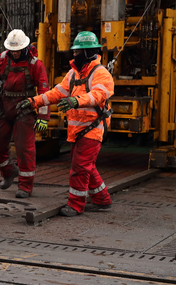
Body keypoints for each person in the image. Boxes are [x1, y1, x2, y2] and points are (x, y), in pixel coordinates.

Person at [17, 31, 114, 216]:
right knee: (87, 166)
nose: (74, 55)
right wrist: (33, 101)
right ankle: (103, 200)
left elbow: (98, 95)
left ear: (87, 52)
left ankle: (76, 205)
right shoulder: (73, 74)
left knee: (80, 167)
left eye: (77, 52)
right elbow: (56, 93)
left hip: (92, 129)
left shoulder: (101, 73)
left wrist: (76, 100)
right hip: (78, 130)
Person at [0, 29, 50, 198]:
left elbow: (44, 92)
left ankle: (25, 186)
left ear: (25, 47)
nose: (14, 53)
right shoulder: (3, 58)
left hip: (24, 110)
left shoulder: (36, 64)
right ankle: (8, 171)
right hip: (3, 108)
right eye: (11, 50)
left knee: (24, 149)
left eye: (17, 50)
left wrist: (43, 117)